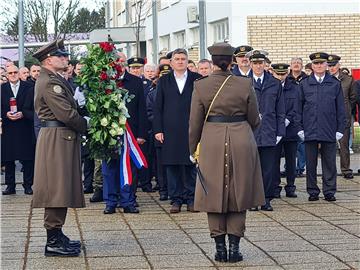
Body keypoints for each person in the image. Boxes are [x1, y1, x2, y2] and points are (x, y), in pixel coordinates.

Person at [189, 42, 265, 263]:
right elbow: (254, 118)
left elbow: (194, 123)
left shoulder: (200, 86)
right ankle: (235, 247)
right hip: (242, 138)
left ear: (212, 62)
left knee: (212, 192)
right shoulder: (244, 84)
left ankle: (220, 248)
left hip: (211, 139)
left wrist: (192, 148)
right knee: (239, 193)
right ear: (231, 61)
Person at [31, 39, 88, 257]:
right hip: (56, 137)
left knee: (61, 186)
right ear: (49, 60)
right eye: (61, 56)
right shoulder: (49, 82)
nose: (66, 59)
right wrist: (89, 125)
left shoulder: (53, 78)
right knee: (56, 188)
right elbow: (66, 113)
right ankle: (52, 241)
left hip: (60, 135)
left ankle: (57, 234)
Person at [153, 48, 202, 213]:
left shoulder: (197, 79)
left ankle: (191, 199)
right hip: (170, 130)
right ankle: (176, 199)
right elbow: (157, 107)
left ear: (188, 61)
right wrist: (158, 130)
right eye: (177, 59)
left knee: (190, 165)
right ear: (172, 62)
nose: (180, 61)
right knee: (172, 166)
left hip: (192, 129)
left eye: (183, 59)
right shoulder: (164, 81)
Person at [102, 51, 147, 215]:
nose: (119, 63)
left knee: (128, 168)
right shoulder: (104, 81)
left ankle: (128, 200)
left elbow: (142, 109)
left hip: (130, 133)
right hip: (108, 132)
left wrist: (141, 134)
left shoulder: (135, 81)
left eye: (121, 60)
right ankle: (111, 201)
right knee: (109, 168)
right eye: (115, 60)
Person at [298, 52, 346, 202]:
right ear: (312, 66)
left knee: (329, 162)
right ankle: (312, 191)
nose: (319, 66)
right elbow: (298, 108)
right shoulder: (304, 84)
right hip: (309, 128)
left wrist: (340, 129)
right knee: (311, 162)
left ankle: (329, 191)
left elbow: (340, 108)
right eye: (316, 64)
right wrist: (299, 128)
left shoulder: (334, 83)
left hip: (329, 128)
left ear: (326, 65)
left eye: (322, 63)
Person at [247, 49, 285, 211]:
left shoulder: (274, 83)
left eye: (260, 63)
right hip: (250, 132)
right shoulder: (243, 82)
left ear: (265, 64)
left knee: (268, 169)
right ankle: (252, 199)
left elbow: (280, 110)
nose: (258, 66)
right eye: (255, 63)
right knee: (250, 168)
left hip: (269, 131)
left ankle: (266, 199)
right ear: (250, 64)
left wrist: (280, 132)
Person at [1, 65, 35, 195]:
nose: (13, 74)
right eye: (10, 73)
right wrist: (5, 114)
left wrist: (23, 113)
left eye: (15, 72)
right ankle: (10, 186)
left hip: (24, 126)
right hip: (8, 127)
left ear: (19, 73)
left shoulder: (28, 87)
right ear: (7, 75)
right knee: (8, 157)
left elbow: (33, 106)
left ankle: (28, 185)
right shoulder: (2, 89)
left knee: (27, 157)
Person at [271, 63, 301, 198]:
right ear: (273, 73)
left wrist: (287, 119)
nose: (281, 77)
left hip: (290, 129)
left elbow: (297, 106)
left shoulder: (294, 87)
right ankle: (275, 187)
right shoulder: (271, 86)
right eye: (278, 74)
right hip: (275, 129)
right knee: (274, 160)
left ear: (287, 73)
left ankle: (290, 187)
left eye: (283, 74)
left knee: (290, 160)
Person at [327, 54, 357, 179]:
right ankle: (329, 170)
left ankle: (345, 169)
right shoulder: (325, 78)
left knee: (344, 145)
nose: (331, 68)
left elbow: (353, 98)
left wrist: (347, 109)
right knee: (328, 146)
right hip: (327, 117)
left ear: (338, 65)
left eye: (334, 65)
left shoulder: (348, 79)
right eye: (329, 66)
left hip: (343, 117)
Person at [146, 64, 172, 201]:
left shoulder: (175, 90)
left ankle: (175, 190)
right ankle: (163, 189)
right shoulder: (152, 93)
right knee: (160, 164)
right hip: (158, 132)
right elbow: (149, 113)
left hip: (174, 132)